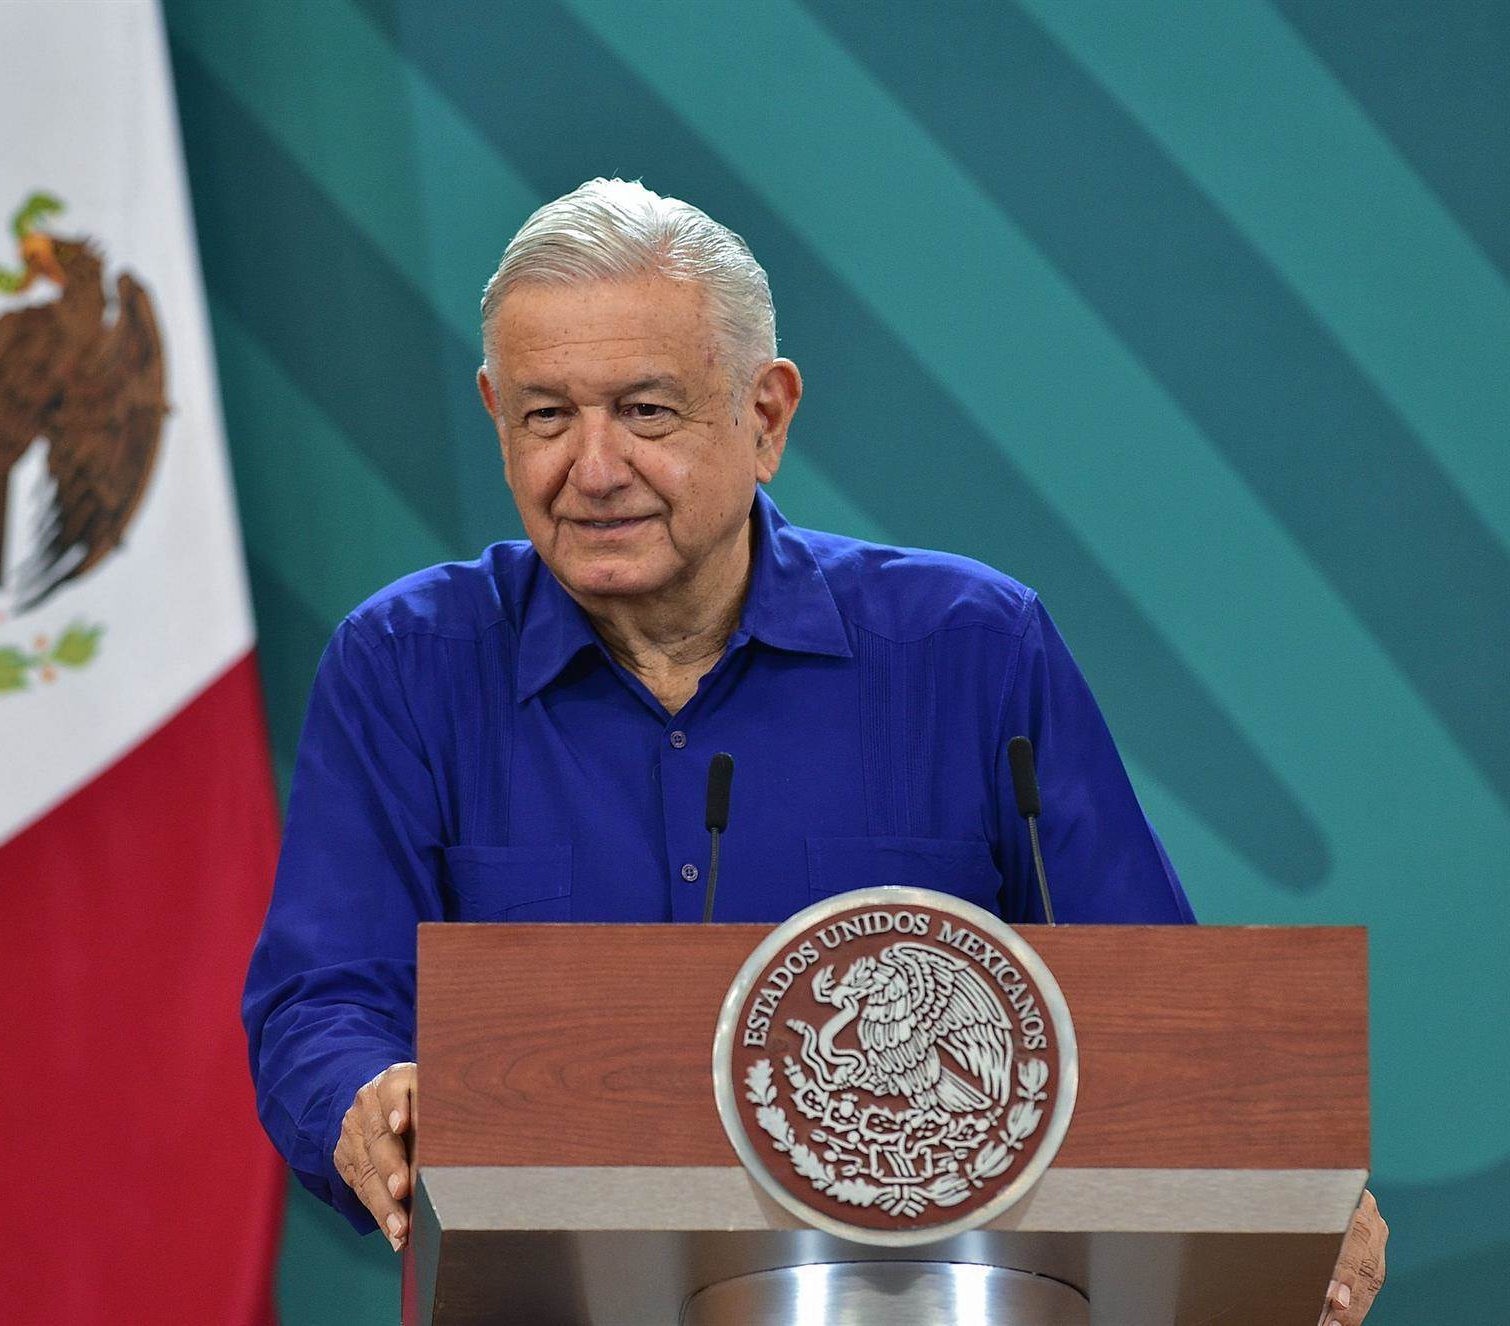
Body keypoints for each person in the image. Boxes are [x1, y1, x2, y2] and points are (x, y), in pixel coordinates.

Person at [240, 179, 1384, 1323]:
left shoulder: (970, 651)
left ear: (767, 417)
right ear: (496, 416)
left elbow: (1154, 1016)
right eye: (546, 417)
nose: (592, 469)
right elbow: (321, 1000)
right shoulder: (407, 666)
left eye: (646, 412)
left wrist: (1280, 1185)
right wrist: (367, 1098)